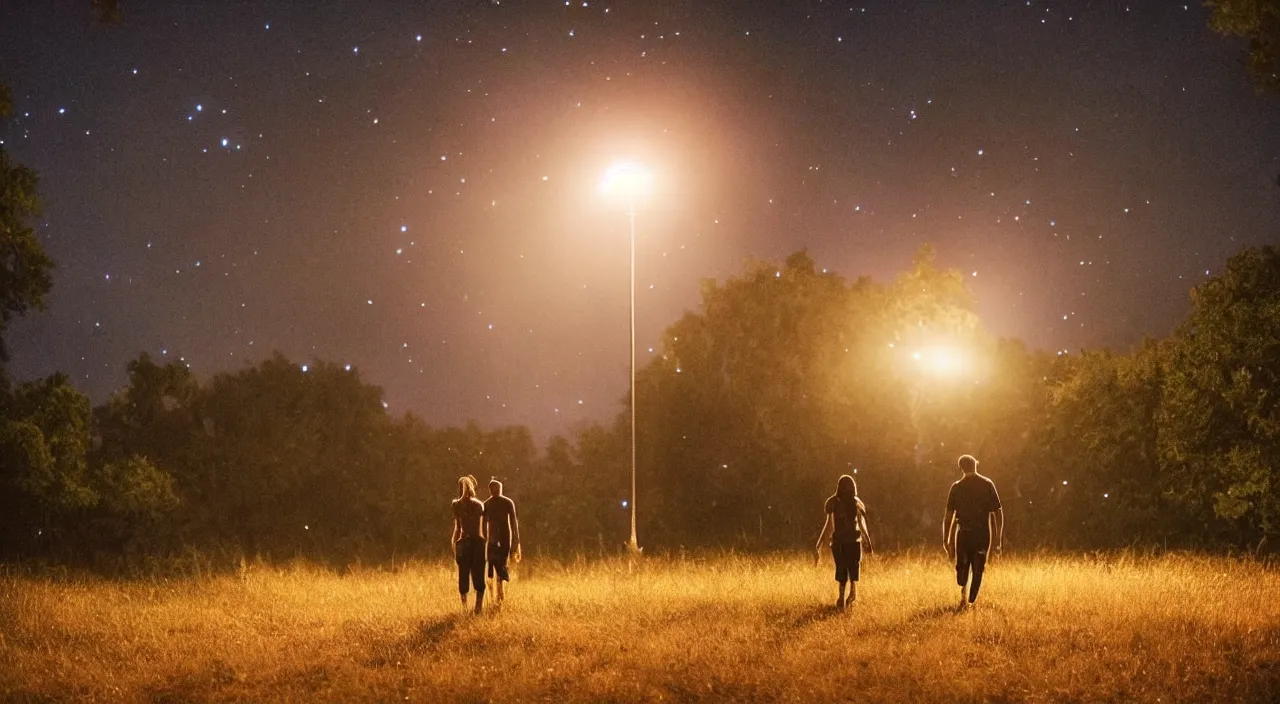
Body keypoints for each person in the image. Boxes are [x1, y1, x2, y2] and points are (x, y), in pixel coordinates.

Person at [943, 454, 1004, 610]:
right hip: (982, 533)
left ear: (961, 468)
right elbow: (998, 512)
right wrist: (998, 537)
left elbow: (949, 516)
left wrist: (946, 539)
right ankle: (971, 598)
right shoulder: (987, 484)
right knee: (978, 566)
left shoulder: (956, 487)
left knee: (963, 564)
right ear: (975, 465)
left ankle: (962, 581)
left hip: (963, 533)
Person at [815, 474, 873, 608]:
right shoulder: (855, 502)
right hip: (852, 541)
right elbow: (861, 522)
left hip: (839, 542)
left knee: (842, 569)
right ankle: (851, 593)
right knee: (853, 568)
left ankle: (843, 596)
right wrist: (867, 540)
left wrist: (819, 544)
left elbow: (828, 524)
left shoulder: (834, 502)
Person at [451, 475, 487, 614]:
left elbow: (458, 527)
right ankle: (475, 607)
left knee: (466, 575)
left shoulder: (458, 505)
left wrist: (455, 543)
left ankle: (470, 607)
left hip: (469, 543)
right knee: (473, 574)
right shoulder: (477, 505)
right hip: (474, 542)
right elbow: (459, 527)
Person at [483, 478, 522, 603]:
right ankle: (493, 594)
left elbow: (514, 522)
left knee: (502, 566)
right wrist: (484, 540)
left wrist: (516, 540)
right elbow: (483, 525)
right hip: (492, 539)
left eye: (498, 488)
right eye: (494, 489)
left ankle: (500, 595)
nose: (497, 491)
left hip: (505, 538)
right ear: (490, 490)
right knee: (492, 566)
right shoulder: (487, 504)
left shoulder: (507, 502)